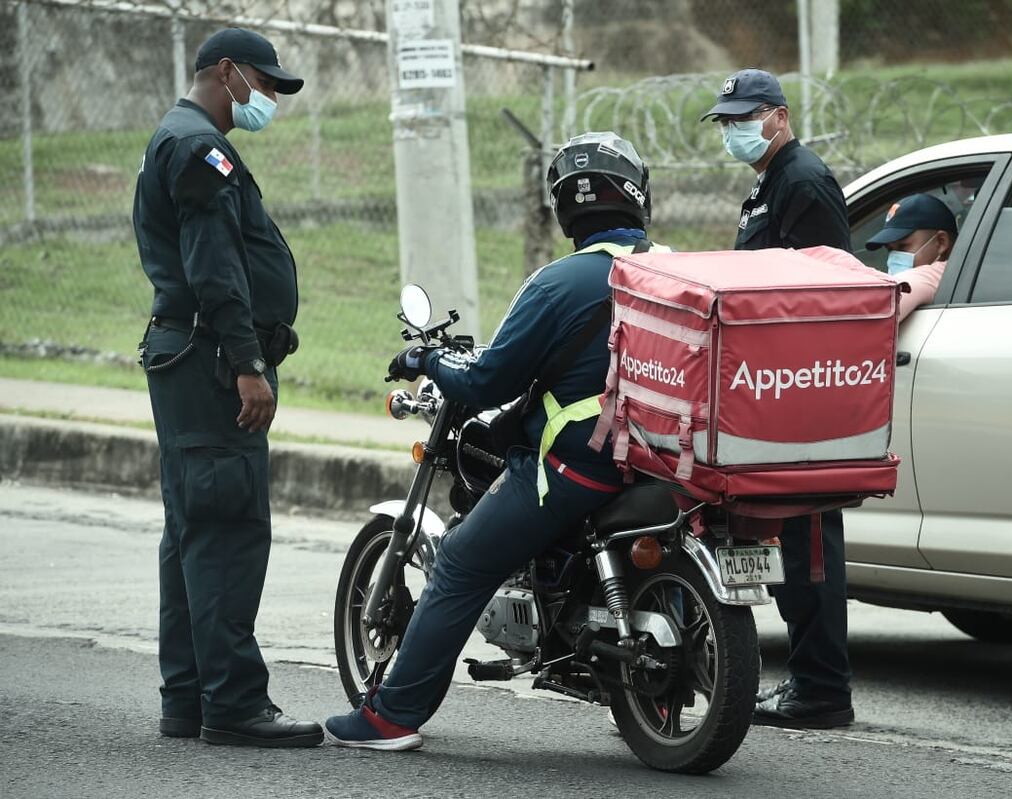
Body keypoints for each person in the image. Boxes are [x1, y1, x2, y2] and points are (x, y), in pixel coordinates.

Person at [324, 132, 665, 751]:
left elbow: (487, 383)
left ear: (566, 209)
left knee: (457, 561)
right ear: (639, 197)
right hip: (658, 463)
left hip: (574, 469)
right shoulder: (673, 271)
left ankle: (390, 716)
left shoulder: (558, 284)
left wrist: (428, 360)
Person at [132, 28, 323, 747]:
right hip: (213, 361)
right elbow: (214, 265)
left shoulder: (185, 140)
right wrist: (247, 361)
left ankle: (188, 697)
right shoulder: (197, 147)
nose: (269, 97)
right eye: (264, 83)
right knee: (226, 524)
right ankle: (235, 703)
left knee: (193, 528)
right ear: (225, 72)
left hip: (192, 355)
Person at [702, 68, 855, 729]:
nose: (734, 130)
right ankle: (809, 682)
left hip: (799, 391)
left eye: (744, 118)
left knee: (810, 542)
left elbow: (822, 295)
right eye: (728, 121)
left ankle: (822, 691)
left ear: (779, 116)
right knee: (792, 543)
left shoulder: (803, 181)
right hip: (769, 390)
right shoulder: (770, 184)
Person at [865, 193, 958, 322]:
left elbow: (869, 321)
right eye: (890, 250)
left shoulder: (931, 277)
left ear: (941, 242)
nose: (894, 258)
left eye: (903, 247)